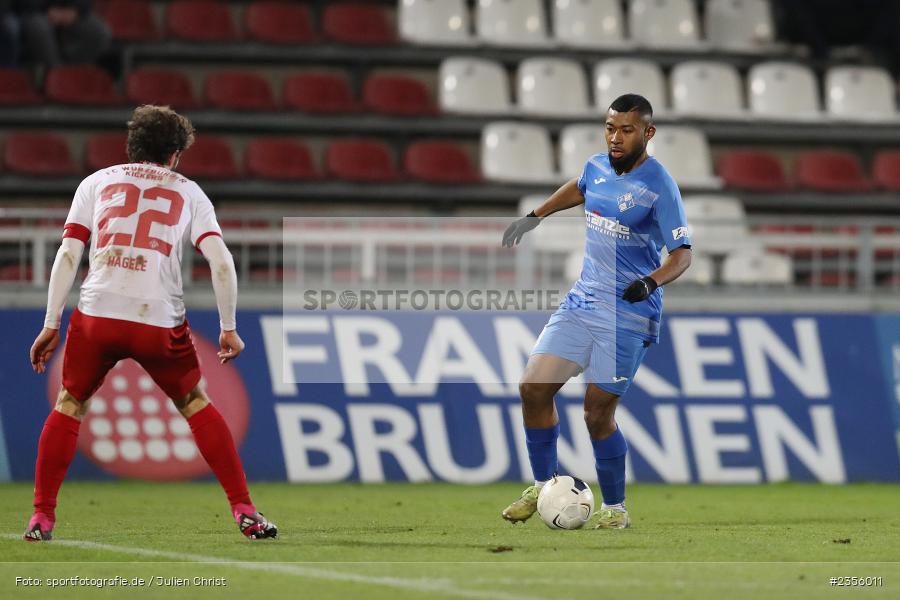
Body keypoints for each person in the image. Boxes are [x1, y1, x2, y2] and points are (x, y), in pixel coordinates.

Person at [25, 105, 277, 542]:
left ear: (131, 145)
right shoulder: (190, 192)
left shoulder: (96, 182)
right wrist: (228, 326)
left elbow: (68, 255)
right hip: (157, 320)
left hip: (97, 313)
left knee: (69, 404)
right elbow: (221, 261)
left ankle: (41, 517)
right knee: (196, 404)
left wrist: (51, 322)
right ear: (175, 154)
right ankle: (245, 511)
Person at [500, 94, 692, 529]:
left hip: (628, 312)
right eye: (610, 128)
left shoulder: (660, 186)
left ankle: (615, 509)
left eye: (626, 129)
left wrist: (651, 281)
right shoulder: (597, 166)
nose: (616, 137)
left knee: (596, 413)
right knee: (533, 388)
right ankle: (544, 485)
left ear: (648, 132)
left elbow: (682, 255)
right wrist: (536, 215)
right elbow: (582, 185)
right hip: (583, 300)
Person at [17, 0, 110, 68]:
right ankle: (55, 70)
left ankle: (72, 69)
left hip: (71, 10)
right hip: (36, 11)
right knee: (39, 28)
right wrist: (49, 10)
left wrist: (75, 10)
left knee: (99, 31)